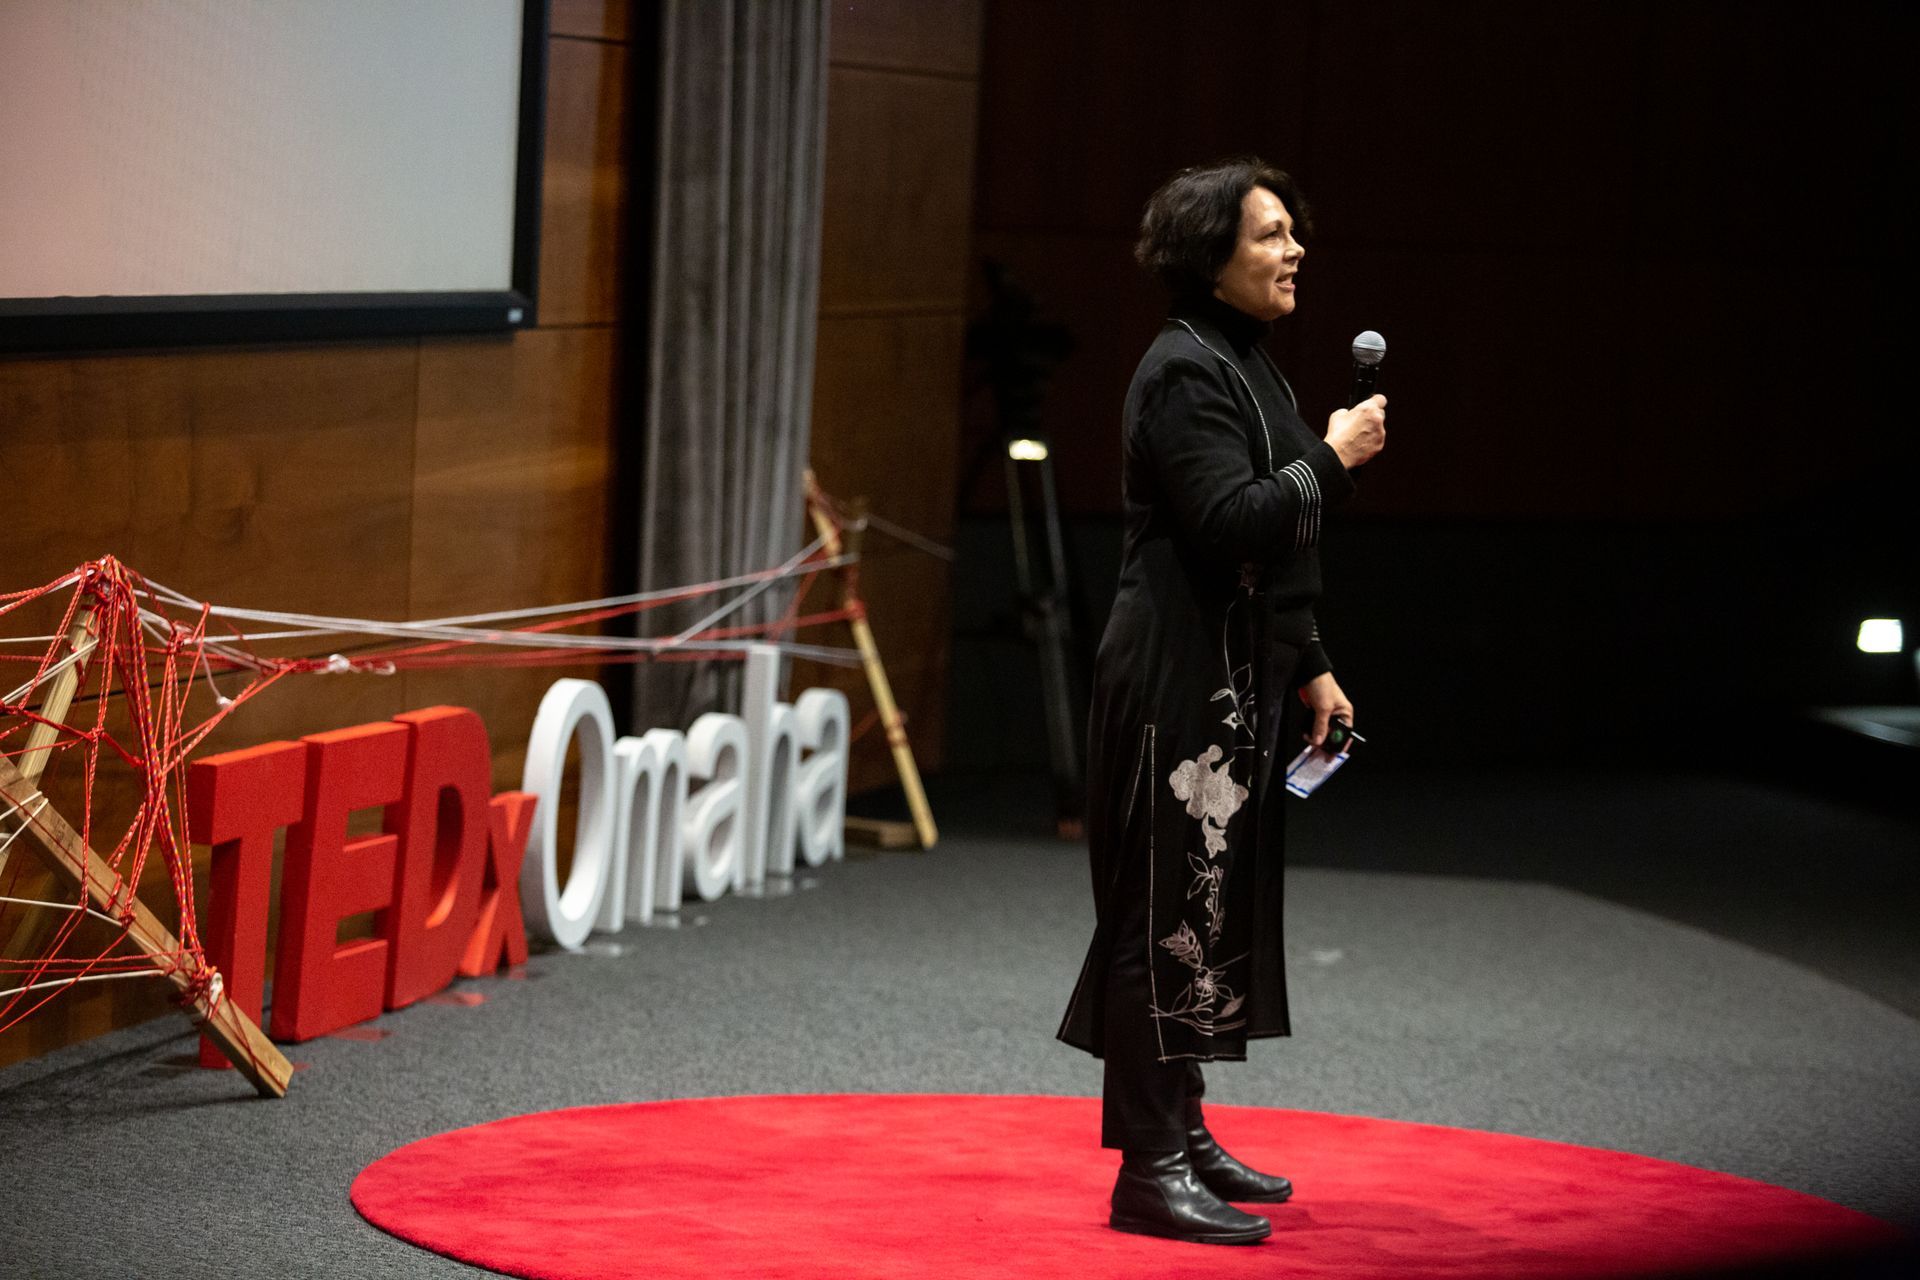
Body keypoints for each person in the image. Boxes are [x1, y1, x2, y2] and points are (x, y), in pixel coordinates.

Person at [1056, 157, 1387, 1245]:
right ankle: (1148, 1170)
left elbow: (1275, 548)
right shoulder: (1182, 372)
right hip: (1172, 680)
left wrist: (1312, 658)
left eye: (1293, 231)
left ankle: (1184, 1132)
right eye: (1270, 234)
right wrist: (1332, 458)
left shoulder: (1244, 360)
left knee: (1202, 917)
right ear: (1211, 258)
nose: (1295, 251)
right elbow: (1228, 521)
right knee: (1160, 921)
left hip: (1235, 675)